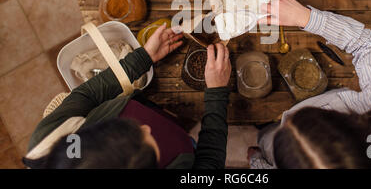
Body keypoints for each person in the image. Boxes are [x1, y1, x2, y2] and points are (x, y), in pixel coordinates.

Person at [23, 23, 232, 169]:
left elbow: (87, 95)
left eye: (123, 127)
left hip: (152, 115)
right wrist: (216, 93)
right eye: (147, 145)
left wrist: (143, 58)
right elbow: (209, 163)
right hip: (183, 151)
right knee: (190, 145)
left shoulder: (48, 142)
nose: (145, 127)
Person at [248, 0, 371, 169]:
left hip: (271, 152)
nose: (288, 119)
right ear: (346, 123)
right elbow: (367, 45)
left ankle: (266, 135)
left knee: (267, 139)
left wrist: (256, 161)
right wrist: (306, 18)